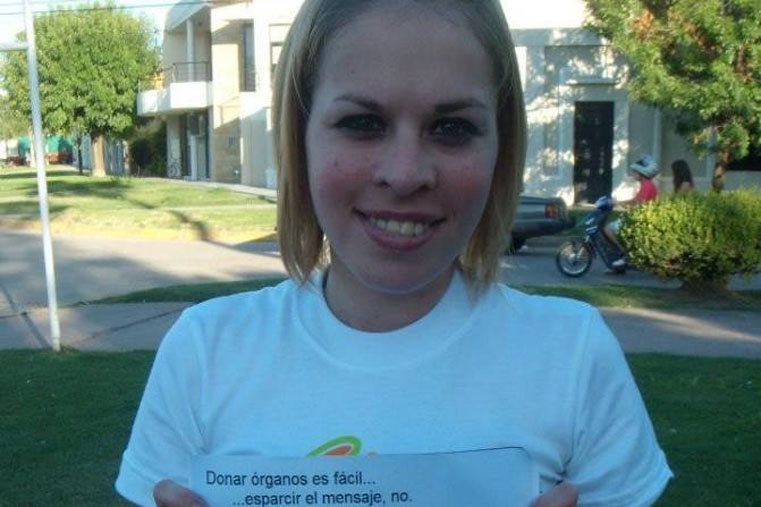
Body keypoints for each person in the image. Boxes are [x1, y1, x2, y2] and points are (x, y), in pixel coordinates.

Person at [115, 1, 672, 506]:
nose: (405, 175)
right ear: (300, 137)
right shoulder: (205, 353)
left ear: (501, 146)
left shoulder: (572, 357)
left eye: (452, 127)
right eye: (362, 123)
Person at [603, 155, 660, 268]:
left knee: (607, 229)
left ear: (641, 173)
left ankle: (626, 254)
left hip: (640, 219)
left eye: (635, 171)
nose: (633, 173)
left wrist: (619, 203)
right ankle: (619, 259)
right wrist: (619, 202)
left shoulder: (647, 186)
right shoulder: (646, 184)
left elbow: (637, 204)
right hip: (639, 217)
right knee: (613, 226)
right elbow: (634, 201)